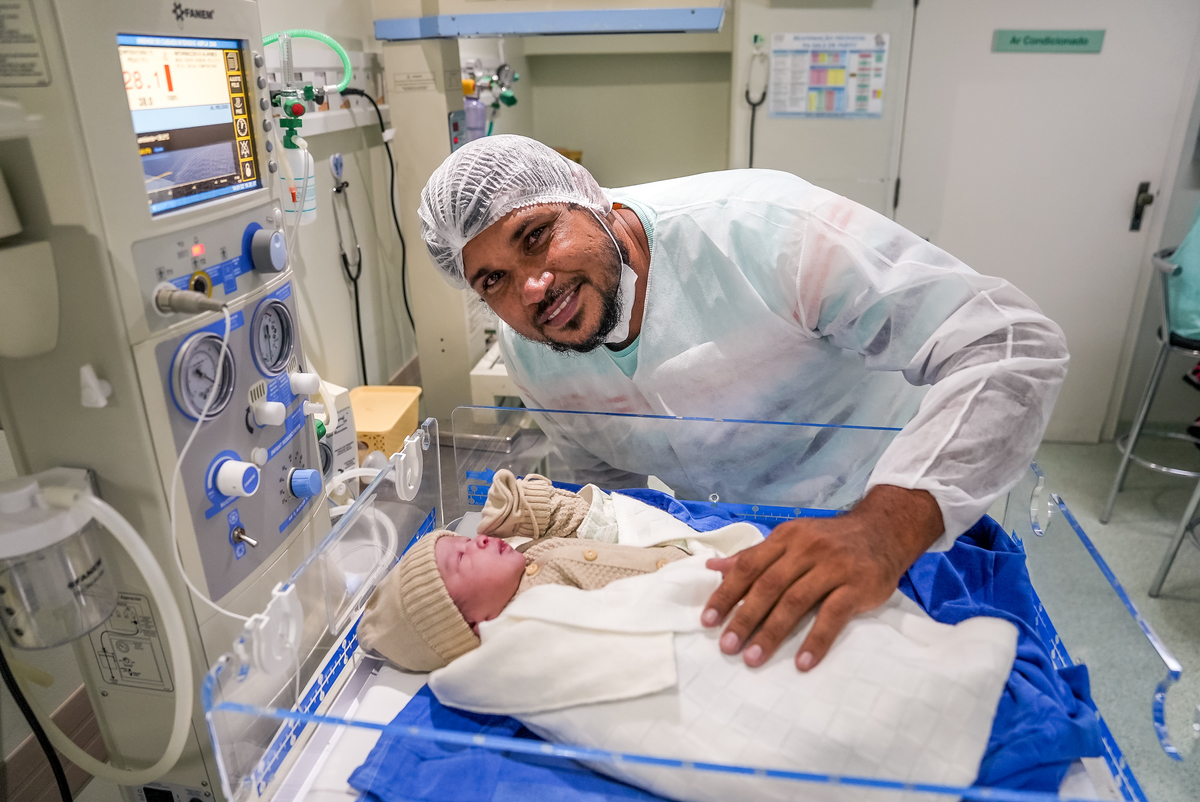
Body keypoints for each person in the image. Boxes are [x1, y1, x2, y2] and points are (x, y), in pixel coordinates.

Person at [417, 135, 1069, 675]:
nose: (532, 288)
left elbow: (1009, 341)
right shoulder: (532, 351)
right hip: (730, 557)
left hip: (901, 528)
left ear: (593, 201)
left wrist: (884, 529)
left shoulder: (765, 230)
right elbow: (609, 487)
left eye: (536, 236)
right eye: (493, 280)